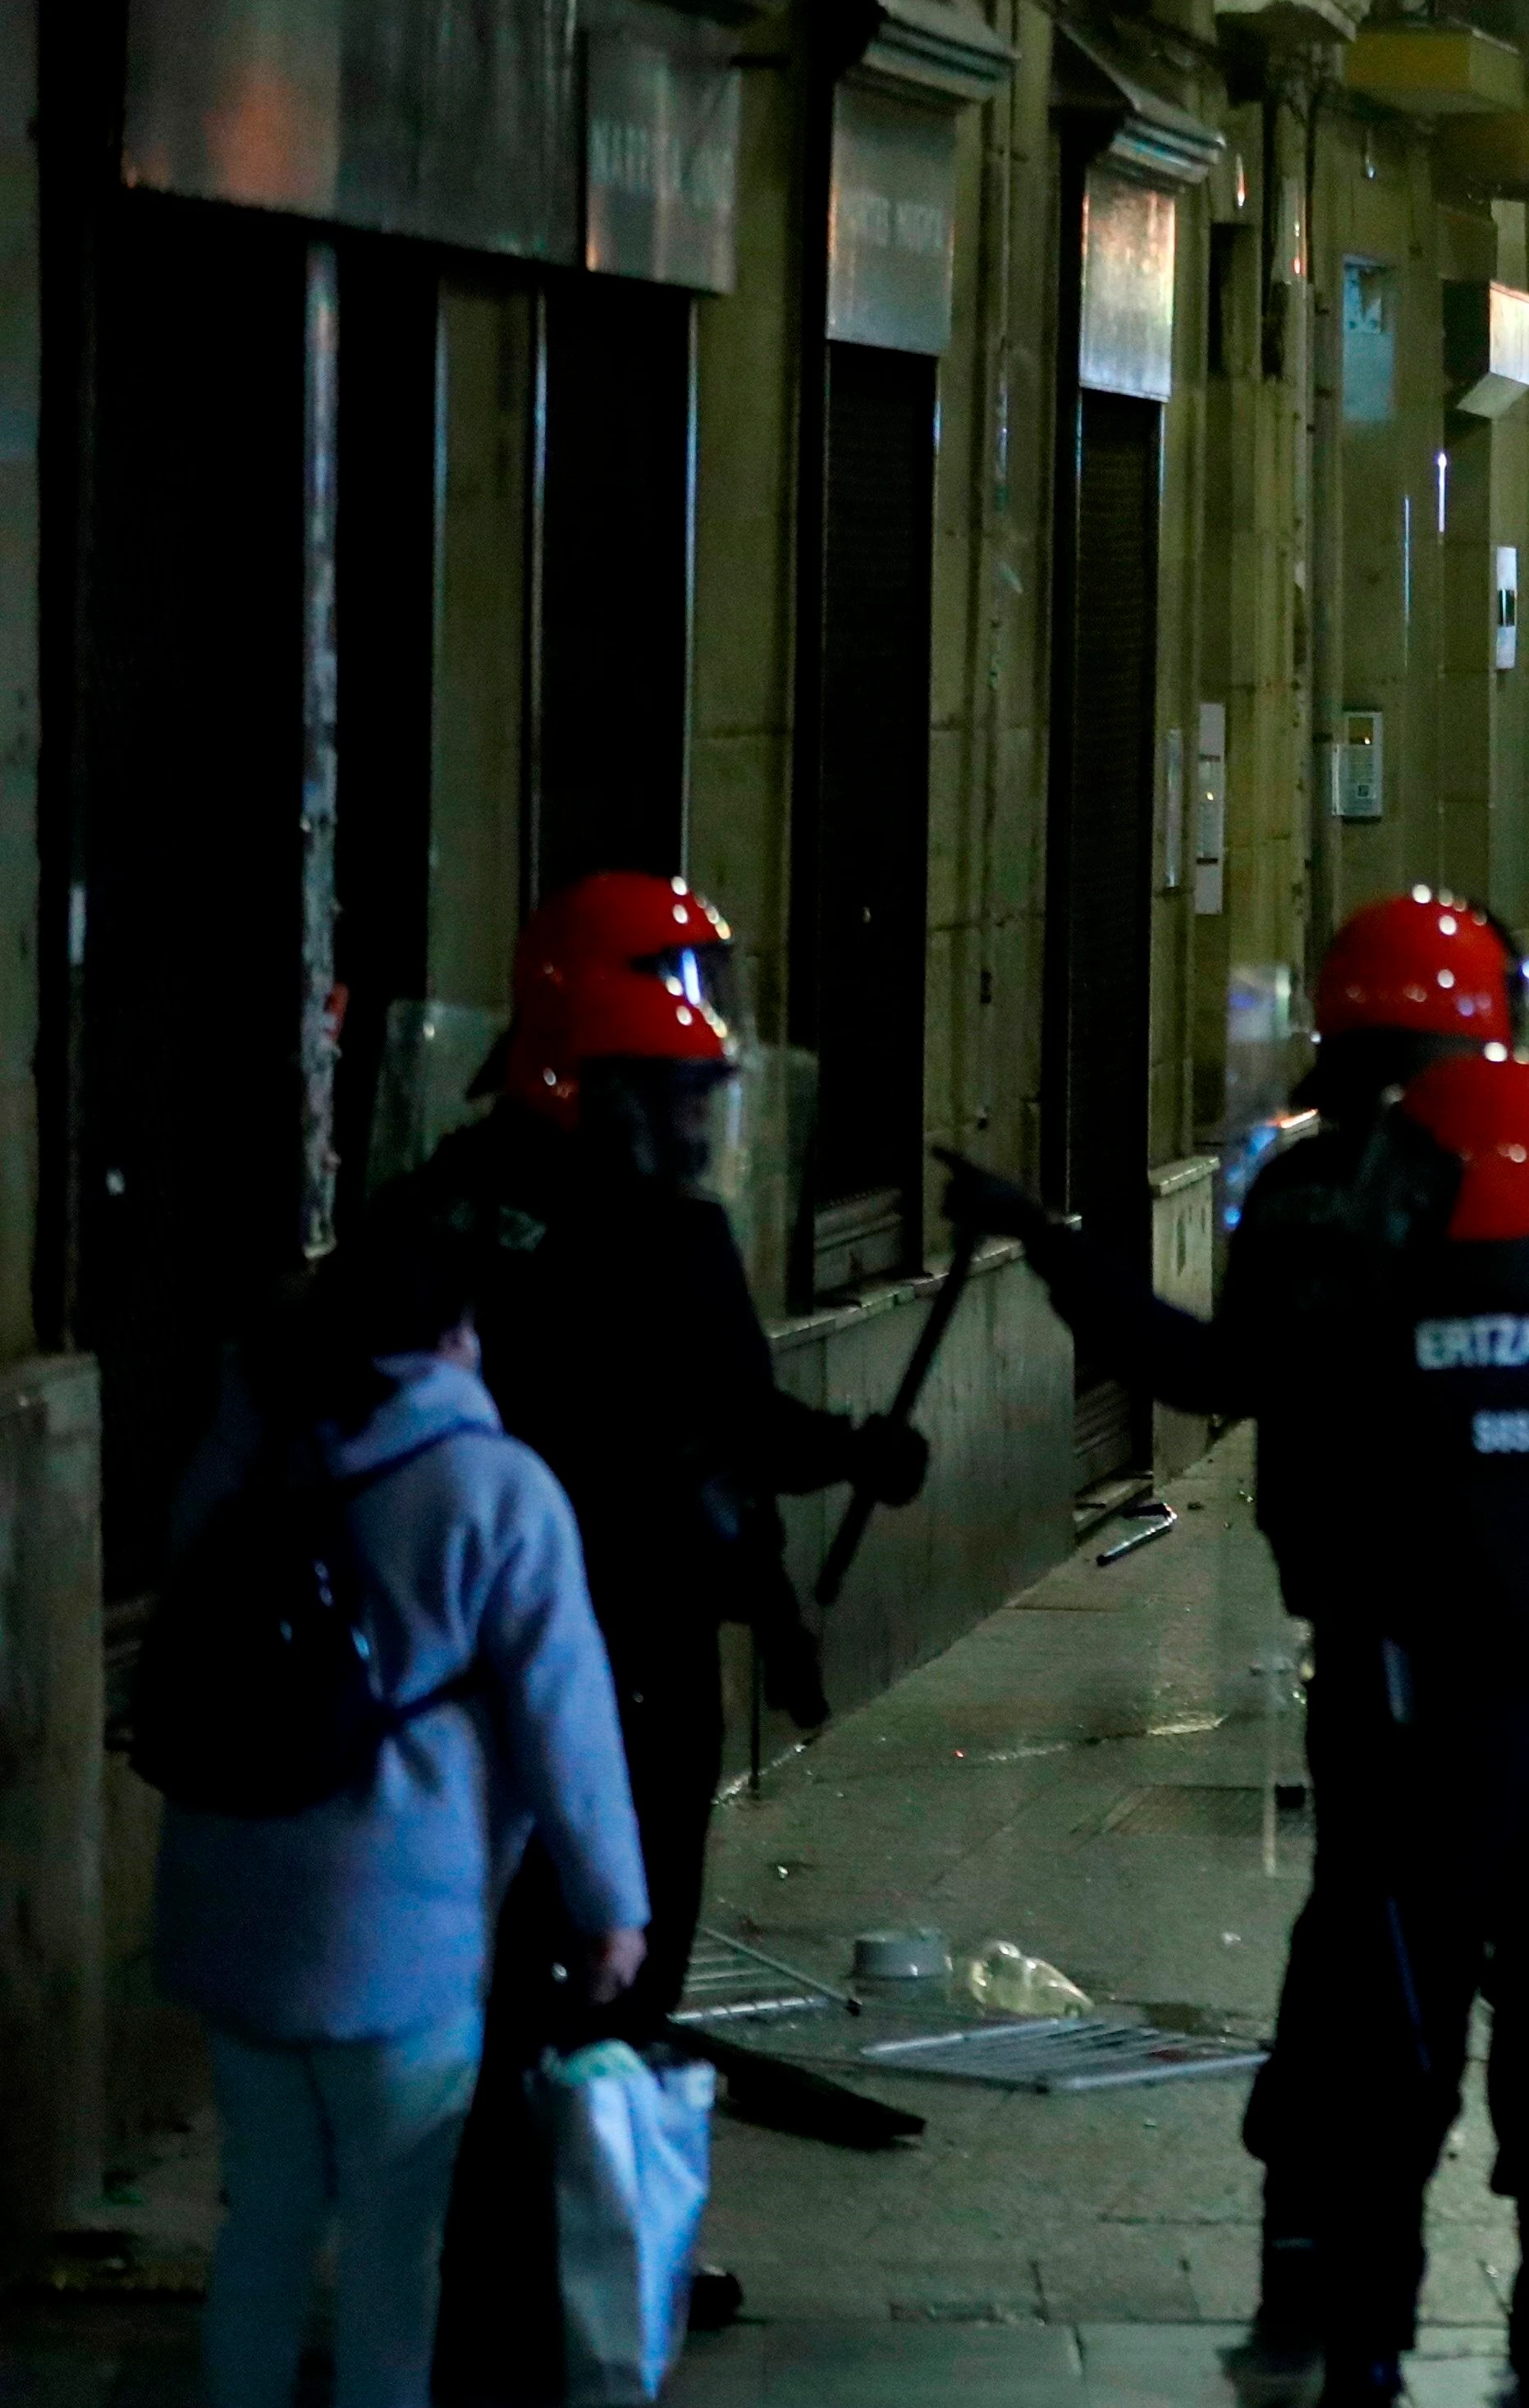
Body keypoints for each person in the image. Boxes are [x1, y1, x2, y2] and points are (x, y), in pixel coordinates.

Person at [944, 893, 1529, 2408]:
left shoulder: (1320, 1200)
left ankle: (1332, 2290)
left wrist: (1051, 1253)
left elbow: (1212, 1370)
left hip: (1387, 1672)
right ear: (1483, 1022)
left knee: (1372, 1990)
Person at [402, 876, 930, 2383]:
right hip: (620, 1645)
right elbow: (731, 1423)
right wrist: (847, 1459)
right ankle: (588, 2247)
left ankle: (495, 2251)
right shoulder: (656, 1225)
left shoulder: (449, 1188)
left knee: (496, 1968)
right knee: (617, 1965)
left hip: (458, 1646)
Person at [156, 1225, 648, 2408]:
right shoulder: (495, 1486)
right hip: (399, 1933)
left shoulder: (247, 1447)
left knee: (263, 2216)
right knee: (392, 2241)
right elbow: (563, 1720)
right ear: (450, 1335)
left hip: (231, 1903)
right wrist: (611, 1908)